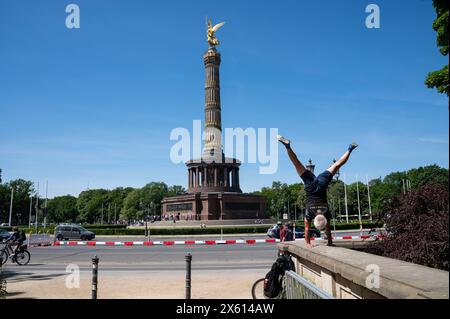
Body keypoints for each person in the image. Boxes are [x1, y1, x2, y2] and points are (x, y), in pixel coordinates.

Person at [277, 135, 358, 248]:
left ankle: (350, 149)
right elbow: (307, 229)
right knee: (296, 163)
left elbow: (328, 230)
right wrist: (308, 243)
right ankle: (287, 146)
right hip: (310, 186)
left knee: (337, 164)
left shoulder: (326, 213)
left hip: (322, 184)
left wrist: (330, 241)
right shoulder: (310, 214)